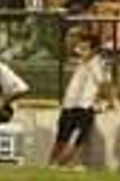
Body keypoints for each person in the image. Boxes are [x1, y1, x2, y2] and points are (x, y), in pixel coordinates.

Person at [49, 33, 116, 168]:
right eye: (80, 48)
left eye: (85, 48)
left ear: (94, 49)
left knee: (78, 139)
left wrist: (110, 102)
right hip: (69, 104)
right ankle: (52, 163)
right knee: (61, 137)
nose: (81, 51)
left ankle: (68, 163)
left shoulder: (98, 63)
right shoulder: (81, 63)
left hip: (84, 106)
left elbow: (105, 84)